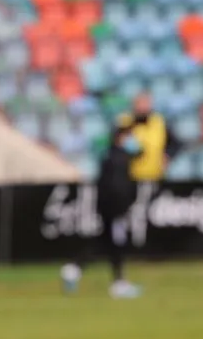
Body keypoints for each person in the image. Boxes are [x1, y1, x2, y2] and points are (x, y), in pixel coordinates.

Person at [61, 125, 143, 299]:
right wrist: (123, 207)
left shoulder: (108, 156)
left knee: (105, 242)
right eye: (129, 137)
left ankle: (74, 269)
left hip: (107, 207)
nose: (133, 141)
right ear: (121, 138)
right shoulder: (120, 159)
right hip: (115, 209)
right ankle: (118, 283)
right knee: (116, 243)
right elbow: (119, 188)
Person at [114, 92, 186, 182]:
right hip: (130, 176)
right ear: (134, 104)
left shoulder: (159, 122)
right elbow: (116, 143)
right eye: (140, 103)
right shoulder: (125, 121)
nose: (143, 107)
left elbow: (175, 143)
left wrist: (168, 155)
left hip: (155, 175)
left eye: (146, 103)